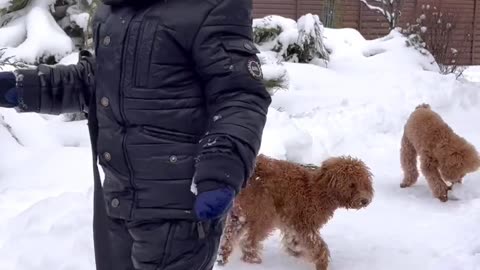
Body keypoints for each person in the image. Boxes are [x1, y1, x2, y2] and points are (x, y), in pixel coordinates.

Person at [0, 0, 271, 269]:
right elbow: (99, 81)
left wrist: (221, 164)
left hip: (178, 214)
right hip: (119, 202)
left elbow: (240, 95)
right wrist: (26, 88)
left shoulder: (208, 8)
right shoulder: (116, 10)